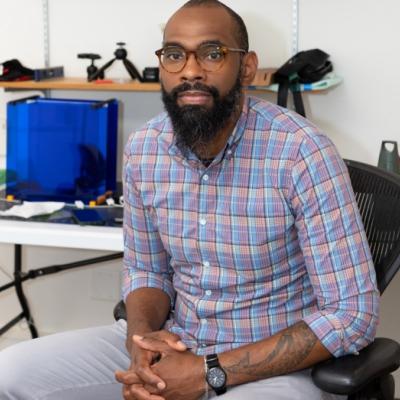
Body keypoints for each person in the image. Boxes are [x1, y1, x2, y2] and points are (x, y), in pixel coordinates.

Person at [0, 1, 379, 399]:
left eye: (213, 54)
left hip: (270, 365)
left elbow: (351, 315)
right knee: (10, 373)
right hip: (176, 341)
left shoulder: (302, 152)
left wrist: (208, 372)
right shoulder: (146, 148)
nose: (191, 70)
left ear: (246, 67)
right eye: (175, 55)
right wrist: (142, 347)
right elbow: (147, 270)